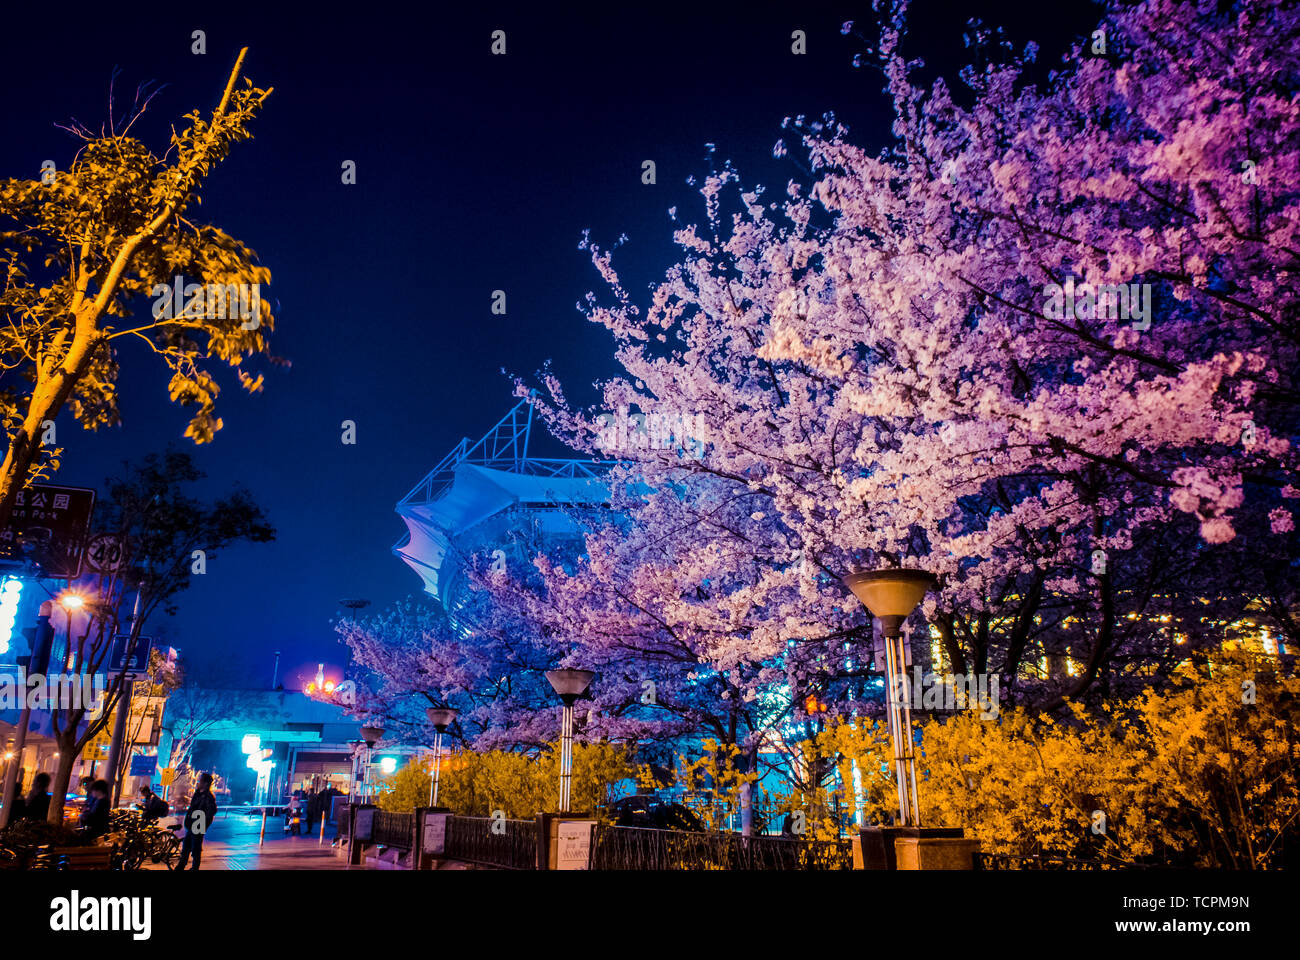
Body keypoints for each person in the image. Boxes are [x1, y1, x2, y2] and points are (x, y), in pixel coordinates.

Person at [178, 773, 218, 870]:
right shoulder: (197, 794)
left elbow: (211, 812)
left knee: (195, 848)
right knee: (186, 846)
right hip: (191, 824)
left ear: (206, 783)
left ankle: (195, 868)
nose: (198, 783)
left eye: (200, 781)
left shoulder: (208, 796)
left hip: (198, 824)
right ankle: (181, 866)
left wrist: (202, 825)